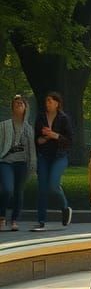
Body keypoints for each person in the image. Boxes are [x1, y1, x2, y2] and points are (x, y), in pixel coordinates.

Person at [31, 91, 73, 232]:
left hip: (59, 156)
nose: (47, 103)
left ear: (57, 103)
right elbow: (36, 139)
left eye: (50, 101)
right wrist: (42, 139)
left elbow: (69, 141)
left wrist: (54, 135)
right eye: (46, 101)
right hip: (43, 156)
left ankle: (65, 207)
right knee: (42, 188)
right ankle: (41, 221)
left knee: (53, 186)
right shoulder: (41, 118)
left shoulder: (63, 119)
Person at [0, 94, 36, 232]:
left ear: (26, 107)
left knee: (18, 191)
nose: (19, 105)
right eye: (16, 104)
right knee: (7, 189)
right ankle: (2, 217)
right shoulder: (4, 126)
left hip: (22, 163)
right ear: (12, 108)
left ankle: (14, 220)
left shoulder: (28, 129)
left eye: (21, 103)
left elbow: (32, 150)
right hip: (6, 161)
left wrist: (32, 166)